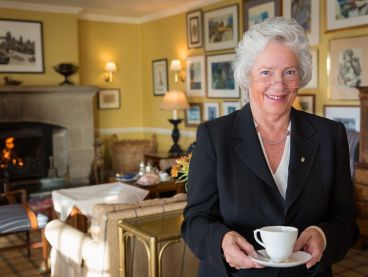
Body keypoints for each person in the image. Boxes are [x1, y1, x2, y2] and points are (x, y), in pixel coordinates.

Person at [181, 17, 359, 277]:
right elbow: (195, 221)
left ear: (301, 76)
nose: (279, 83)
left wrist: (324, 235)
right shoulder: (214, 136)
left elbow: (345, 219)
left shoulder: (330, 135)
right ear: (248, 76)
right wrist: (221, 241)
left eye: (289, 71)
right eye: (266, 72)